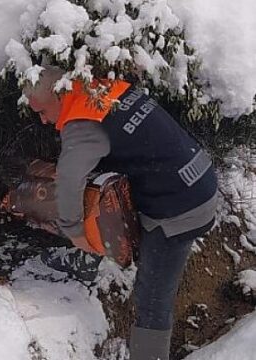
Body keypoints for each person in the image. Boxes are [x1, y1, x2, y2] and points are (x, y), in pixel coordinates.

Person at [22, 67, 218, 360]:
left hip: (179, 206)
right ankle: (87, 266)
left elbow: (70, 179)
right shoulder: (104, 88)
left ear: (60, 94)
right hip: (197, 177)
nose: (44, 120)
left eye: (43, 111)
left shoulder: (83, 123)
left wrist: (74, 233)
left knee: (151, 297)